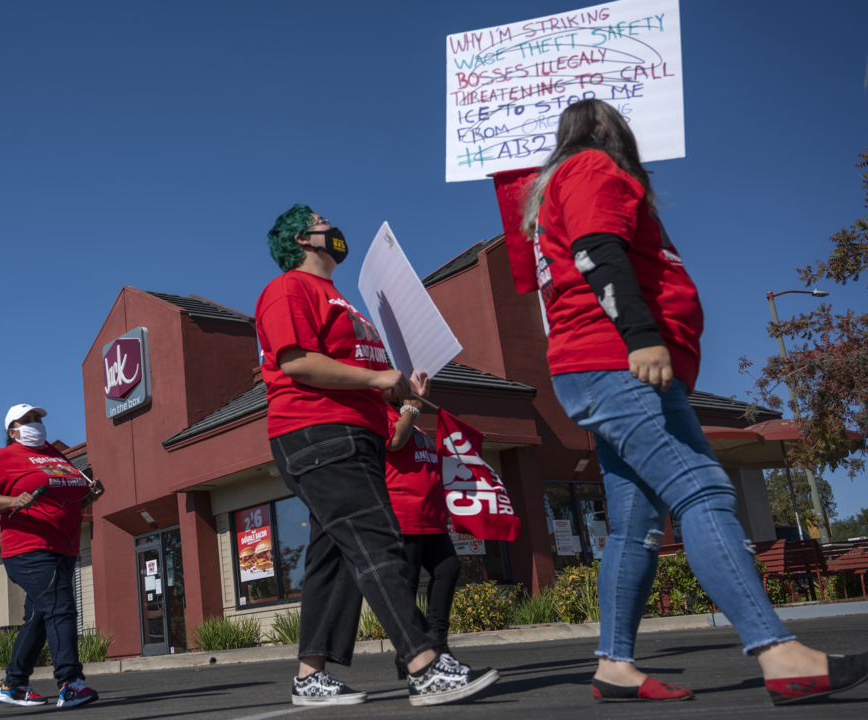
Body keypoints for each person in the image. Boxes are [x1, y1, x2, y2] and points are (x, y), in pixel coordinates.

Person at [520, 98, 867, 705]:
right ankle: (777, 652)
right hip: (619, 362)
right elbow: (597, 250)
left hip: (603, 365)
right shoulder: (593, 169)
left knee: (633, 524)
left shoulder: (569, 179)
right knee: (703, 490)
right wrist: (643, 335)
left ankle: (615, 665)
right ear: (605, 130)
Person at [256, 205, 497, 707]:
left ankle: (310, 677)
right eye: (322, 221)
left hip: (352, 434)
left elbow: (360, 370)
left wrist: (399, 390)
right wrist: (375, 378)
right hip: (317, 431)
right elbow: (295, 360)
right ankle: (423, 663)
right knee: (377, 543)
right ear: (301, 239)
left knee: (335, 559)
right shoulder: (288, 289)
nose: (333, 227)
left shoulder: (341, 299)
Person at [0, 404, 104, 710]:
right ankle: (70, 683)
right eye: (27, 420)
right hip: (28, 548)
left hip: (64, 548)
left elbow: (69, 496)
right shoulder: (1, 457)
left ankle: (14, 685)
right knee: (60, 606)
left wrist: (89, 495)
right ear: (12, 430)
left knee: (39, 618)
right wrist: (11, 500)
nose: (36, 423)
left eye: (38, 419)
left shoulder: (57, 457)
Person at [383, 384, 498, 695]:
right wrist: (411, 406)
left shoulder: (411, 419)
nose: (398, 387)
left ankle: (436, 644)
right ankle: (416, 652)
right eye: (394, 384)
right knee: (404, 587)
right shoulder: (384, 415)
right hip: (402, 516)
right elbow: (395, 442)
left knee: (448, 569)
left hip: (431, 518)